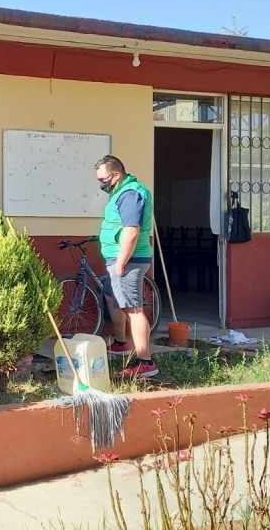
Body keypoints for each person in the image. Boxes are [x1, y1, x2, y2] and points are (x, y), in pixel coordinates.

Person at [94, 155, 157, 378]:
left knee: (133, 309)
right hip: (118, 258)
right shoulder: (120, 193)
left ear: (116, 175)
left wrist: (121, 262)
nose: (101, 183)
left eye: (103, 179)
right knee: (115, 301)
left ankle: (145, 362)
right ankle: (121, 343)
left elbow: (131, 231)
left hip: (129, 261)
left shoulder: (130, 194)